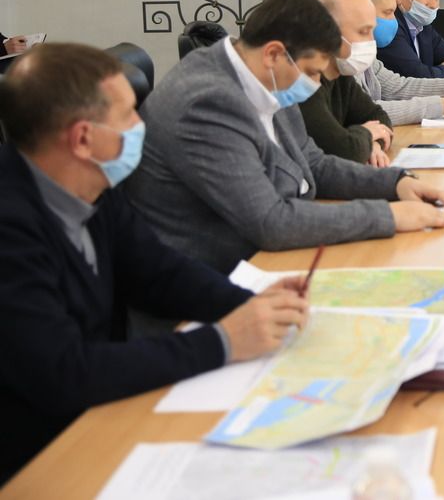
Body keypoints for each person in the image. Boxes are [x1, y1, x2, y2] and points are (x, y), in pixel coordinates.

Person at [0, 43, 310, 482]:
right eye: (128, 114)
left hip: (96, 415)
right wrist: (224, 341)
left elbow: (157, 271)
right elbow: (63, 372)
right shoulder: (10, 228)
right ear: (83, 139)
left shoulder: (93, 185)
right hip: (38, 459)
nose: (141, 124)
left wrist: (248, 303)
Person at [125, 0, 444, 276]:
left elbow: (313, 163)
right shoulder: (207, 103)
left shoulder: (262, 73)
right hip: (215, 281)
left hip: (266, 260)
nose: (316, 85)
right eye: (312, 73)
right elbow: (270, 221)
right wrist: (388, 216)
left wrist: (395, 184)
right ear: (274, 54)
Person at [299, 0, 397, 166]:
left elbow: (379, 117)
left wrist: (373, 144)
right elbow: (344, 149)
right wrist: (366, 135)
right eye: (363, 32)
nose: (371, 41)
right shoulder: (304, 83)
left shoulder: (342, 75)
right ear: (329, 31)